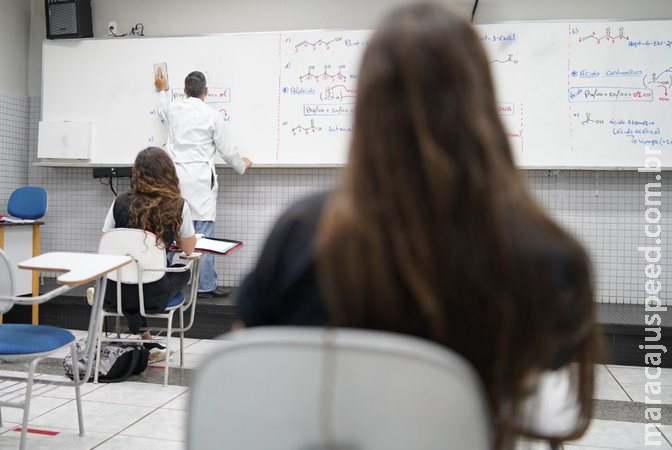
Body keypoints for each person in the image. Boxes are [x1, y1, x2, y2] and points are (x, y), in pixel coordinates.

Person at [235, 4, 599, 449]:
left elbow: (245, 371)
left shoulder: (302, 233)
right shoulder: (549, 257)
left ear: (368, 107)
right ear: (481, 101)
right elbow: (542, 403)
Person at [155, 69, 252, 298]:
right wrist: (242, 165)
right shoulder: (212, 115)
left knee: (173, 230)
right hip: (200, 180)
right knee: (204, 235)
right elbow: (228, 151)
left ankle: (169, 282)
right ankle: (205, 286)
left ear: (185, 91)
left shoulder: (174, 108)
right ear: (206, 91)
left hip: (176, 179)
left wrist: (161, 89)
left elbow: (161, 110)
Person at [95, 147, 196, 348]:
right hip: (153, 296)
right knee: (183, 272)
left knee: (134, 273)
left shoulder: (119, 202)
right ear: (169, 173)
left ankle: (146, 337)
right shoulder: (178, 205)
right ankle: (148, 340)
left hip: (114, 292)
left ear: (137, 172)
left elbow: (106, 243)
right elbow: (189, 249)